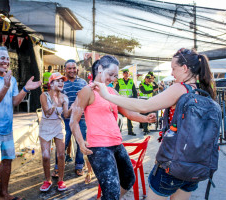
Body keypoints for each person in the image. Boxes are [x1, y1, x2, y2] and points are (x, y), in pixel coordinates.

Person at [92, 48, 216, 200]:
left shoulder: (181, 88)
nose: (172, 73)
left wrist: (106, 95)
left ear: (184, 69)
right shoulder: (204, 90)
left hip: (174, 165)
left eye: (174, 68)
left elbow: (145, 106)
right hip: (195, 165)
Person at [70, 55, 156, 200]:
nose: (112, 78)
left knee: (129, 179)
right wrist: (80, 141)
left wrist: (145, 118)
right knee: (111, 193)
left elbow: (128, 112)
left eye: (115, 76)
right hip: (99, 147)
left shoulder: (111, 92)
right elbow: (73, 120)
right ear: (100, 69)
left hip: (116, 143)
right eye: (110, 74)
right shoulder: (88, 90)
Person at [0, 46, 41, 200]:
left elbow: (14, 101)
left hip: (7, 127)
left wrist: (25, 89)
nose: (5, 61)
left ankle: (4, 194)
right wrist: (5, 86)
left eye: (7, 58)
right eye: (2, 58)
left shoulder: (11, 79)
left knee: (7, 160)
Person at [53, 59, 87, 177]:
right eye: (69, 68)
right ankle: (57, 167)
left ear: (76, 69)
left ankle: (79, 166)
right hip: (65, 120)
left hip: (81, 119)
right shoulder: (61, 83)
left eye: (74, 68)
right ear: (65, 70)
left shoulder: (83, 83)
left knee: (81, 143)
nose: (72, 70)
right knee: (62, 144)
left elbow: (88, 99)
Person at [38, 72, 70, 192]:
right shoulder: (44, 95)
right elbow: (47, 112)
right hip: (45, 126)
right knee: (46, 156)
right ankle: (47, 180)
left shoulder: (64, 97)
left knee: (61, 155)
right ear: (51, 84)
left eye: (62, 81)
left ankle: (61, 180)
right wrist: (55, 101)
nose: (61, 83)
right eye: (58, 80)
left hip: (58, 125)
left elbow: (66, 115)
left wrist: (76, 106)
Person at [115, 69, 138, 136]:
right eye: (124, 73)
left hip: (129, 101)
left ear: (129, 74)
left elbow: (134, 91)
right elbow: (116, 91)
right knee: (119, 116)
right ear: (123, 74)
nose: (126, 74)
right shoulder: (119, 81)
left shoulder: (131, 81)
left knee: (129, 116)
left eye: (127, 73)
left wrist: (135, 100)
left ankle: (130, 131)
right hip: (121, 101)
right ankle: (118, 131)